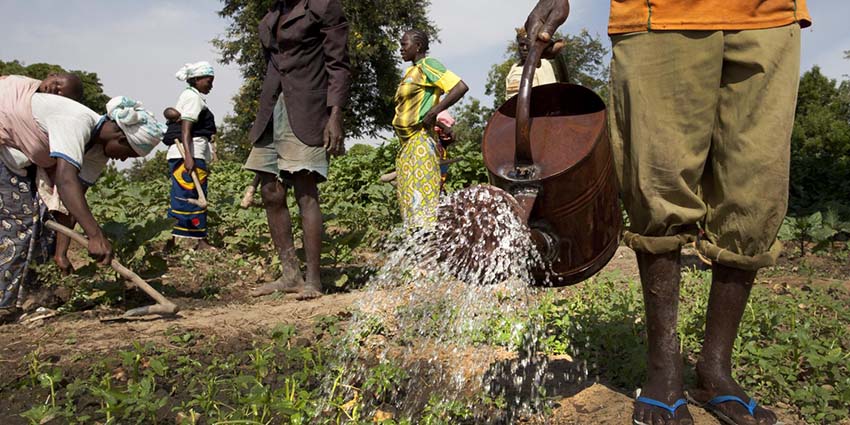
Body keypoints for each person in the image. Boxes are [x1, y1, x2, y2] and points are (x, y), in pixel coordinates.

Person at [525, 1, 811, 425]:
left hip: (769, 16)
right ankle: (664, 371)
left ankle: (716, 370)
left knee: (755, 192)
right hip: (659, 15)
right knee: (657, 182)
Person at [0, 75, 164, 321]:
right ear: (121, 138)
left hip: (16, 154)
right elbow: (65, 181)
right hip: (4, 143)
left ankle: (33, 295)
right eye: (127, 154)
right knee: (21, 222)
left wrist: (61, 252)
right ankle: (4, 303)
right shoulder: (76, 121)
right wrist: (95, 235)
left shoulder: (97, 152)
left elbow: (70, 202)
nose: (122, 160)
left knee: (43, 221)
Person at [246, 0, 351, 300]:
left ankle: (313, 280)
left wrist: (334, 115)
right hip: (273, 108)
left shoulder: (321, 7)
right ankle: (290, 274)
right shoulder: (269, 18)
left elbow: (339, 64)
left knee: (305, 190)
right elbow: (274, 67)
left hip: (307, 108)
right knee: (270, 191)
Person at [393, 29, 468, 226]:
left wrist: (434, 112)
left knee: (422, 204)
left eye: (404, 45)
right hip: (406, 146)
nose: (401, 49)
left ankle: (429, 242)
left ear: (418, 46)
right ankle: (414, 243)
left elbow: (460, 87)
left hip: (420, 142)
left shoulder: (428, 65)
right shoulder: (411, 72)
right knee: (409, 205)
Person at [165, 62, 217, 250]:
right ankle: (198, 240)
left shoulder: (191, 96)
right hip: (188, 154)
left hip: (188, 153)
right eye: (209, 81)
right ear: (196, 80)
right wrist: (189, 156)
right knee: (190, 194)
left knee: (184, 194)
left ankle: (173, 240)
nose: (211, 85)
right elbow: (186, 128)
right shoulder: (192, 98)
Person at [504, 27, 557, 99]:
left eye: (527, 45)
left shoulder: (542, 64)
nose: (525, 48)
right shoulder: (514, 68)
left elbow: (549, 93)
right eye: (522, 45)